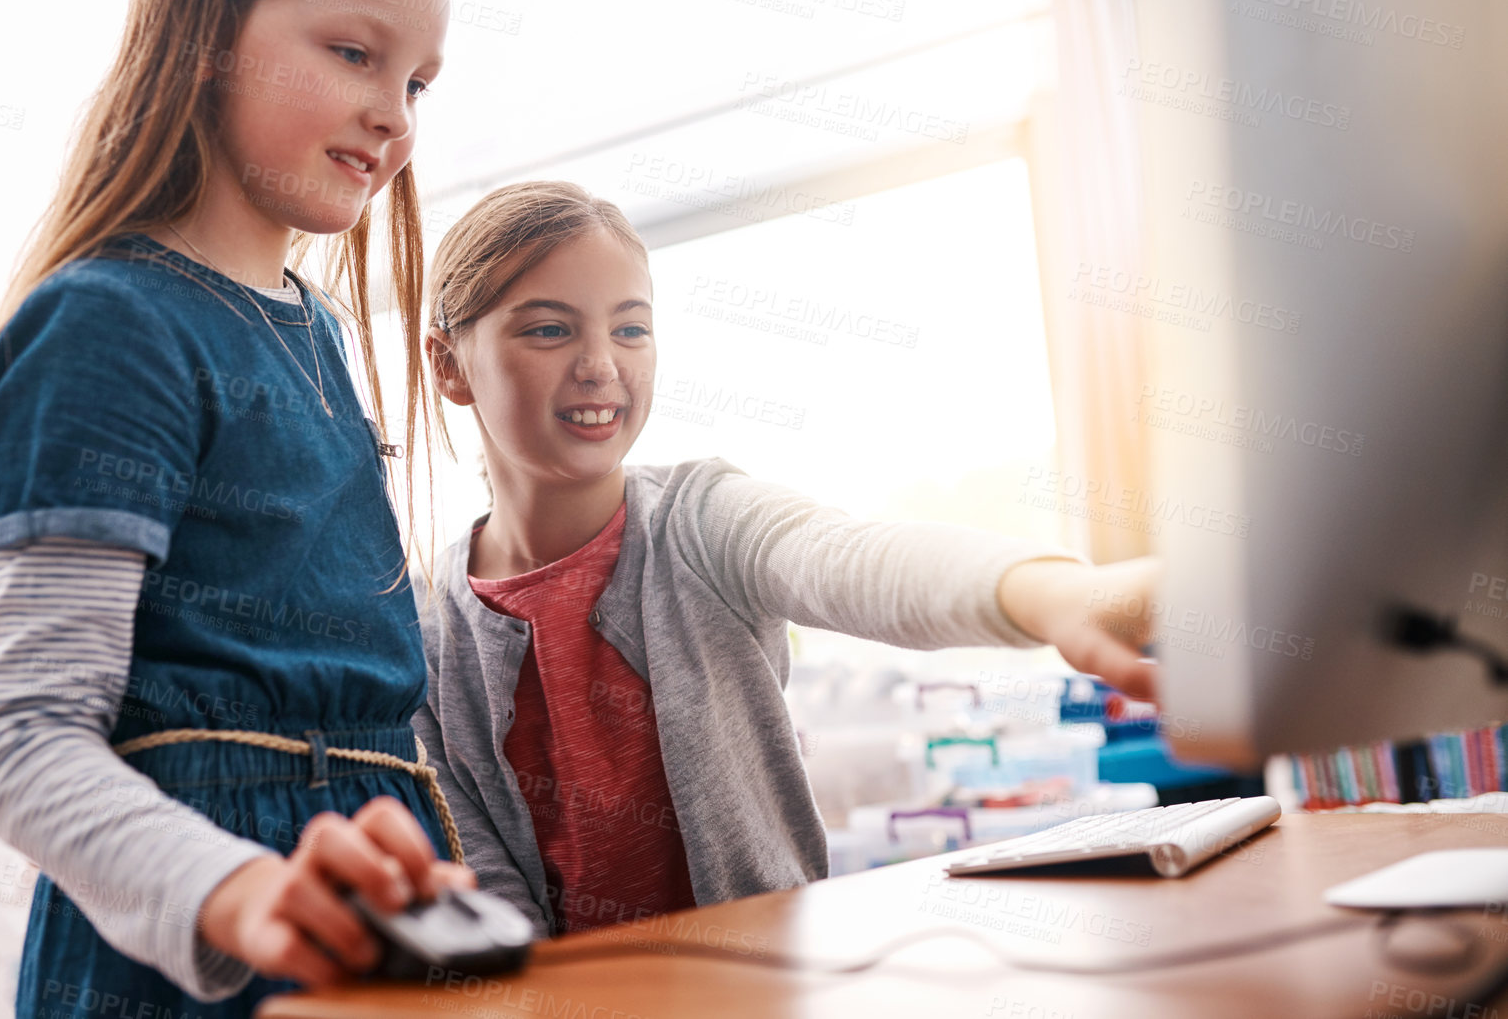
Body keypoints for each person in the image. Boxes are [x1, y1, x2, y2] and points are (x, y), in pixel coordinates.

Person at [0, 0, 471, 1016]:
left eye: (419, 83)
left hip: (369, 946)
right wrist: (238, 894)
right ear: (205, 33)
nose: (392, 116)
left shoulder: (320, 337)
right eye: (352, 53)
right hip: (177, 969)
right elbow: (28, 744)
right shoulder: (110, 324)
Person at [411, 180, 1160, 938]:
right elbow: (485, 891)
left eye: (631, 330)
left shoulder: (700, 521)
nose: (601, 364)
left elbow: (850, 560)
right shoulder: (425, 632)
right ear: (449, 366)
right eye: (548, 331)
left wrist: (1052, 595)